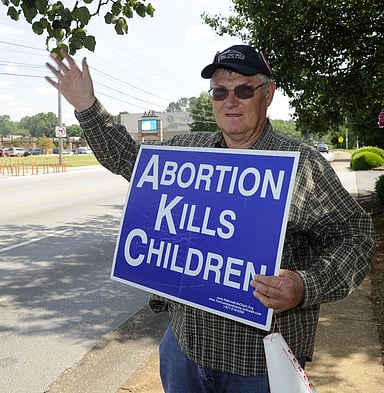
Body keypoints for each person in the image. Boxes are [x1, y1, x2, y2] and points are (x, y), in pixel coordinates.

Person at [46, 44, 376, 393]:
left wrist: (304, 286)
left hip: (259, 368)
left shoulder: (302, 164)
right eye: (220, 91)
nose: (230, 100)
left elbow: (356, 236)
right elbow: (128, 158)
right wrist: (86, 105)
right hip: (183, 352)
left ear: (268, 94)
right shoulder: (188, 151)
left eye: (244, 90)